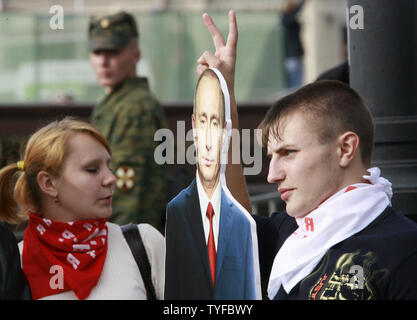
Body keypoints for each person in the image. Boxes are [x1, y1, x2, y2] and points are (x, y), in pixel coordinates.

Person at [198, 11, 417, 300]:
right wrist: (219, 101)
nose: (272, 174)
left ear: (346, 149)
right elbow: (226, 228)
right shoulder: (287, 232)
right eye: (271, 156)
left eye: (288, 153)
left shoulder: (405, 250)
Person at [0, 118, 165, 299]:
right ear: (48, 183)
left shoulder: (144, 244)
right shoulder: (14, 266)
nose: (110, 178)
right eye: (92, 169)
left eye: (108, 166)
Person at [165, 67, 256, 300]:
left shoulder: (240, 220)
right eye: (203, 122)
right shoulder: (176, 211)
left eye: (215, 123)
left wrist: (228, 91)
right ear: (193, 125)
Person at [89, 11, 167, 232]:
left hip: (126, 240)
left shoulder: (134, 108)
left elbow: (125, 192)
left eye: (113, 52)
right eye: (97, 52)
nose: (103, 61)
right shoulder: (115, 103)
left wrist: (117, 243)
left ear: (136, 54)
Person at [282, 0, 305, 88]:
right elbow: (296, 10)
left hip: (295, 55)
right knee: (294, 82)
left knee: (297, 81)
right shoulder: (286, 19)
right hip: (292, 56)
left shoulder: (288, 18)